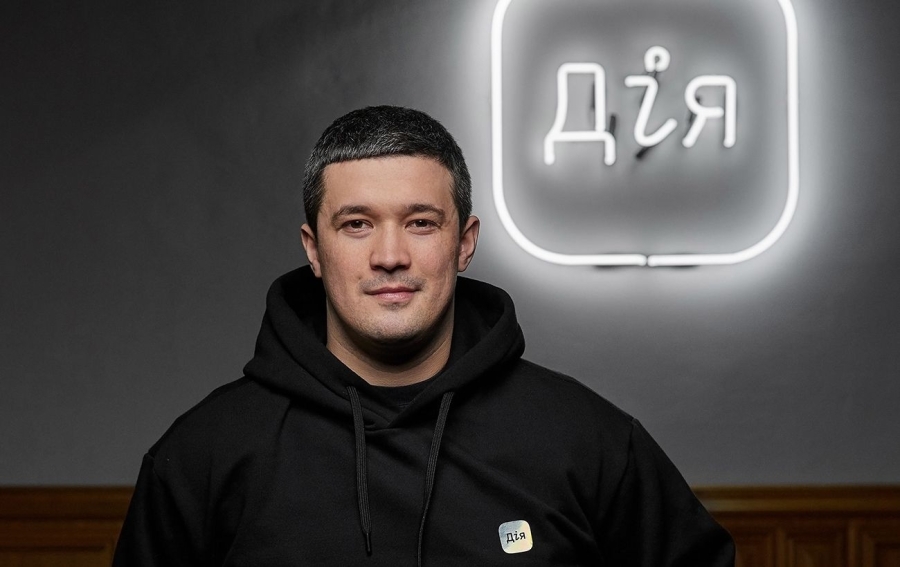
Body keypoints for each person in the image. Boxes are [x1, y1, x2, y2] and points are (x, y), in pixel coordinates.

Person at [113, 105, 735, 566]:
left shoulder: (586, 441)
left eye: (420, 223)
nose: (390, 255)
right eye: (357, 224)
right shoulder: (204, 455)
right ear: (314, 250)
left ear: (464, 243)